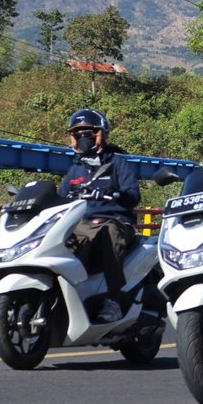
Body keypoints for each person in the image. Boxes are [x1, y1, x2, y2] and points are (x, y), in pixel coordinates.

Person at [60, 108, 142, 324]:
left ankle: (114, 300)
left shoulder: (117, 162)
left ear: (100, 133)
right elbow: (59, 199)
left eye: (87, 132)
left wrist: (114, 193)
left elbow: (133, 195)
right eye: (77, 133)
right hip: (81, 224)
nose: (82, 137)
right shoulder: (74, 170)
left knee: (109, 235)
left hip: (115, 221)